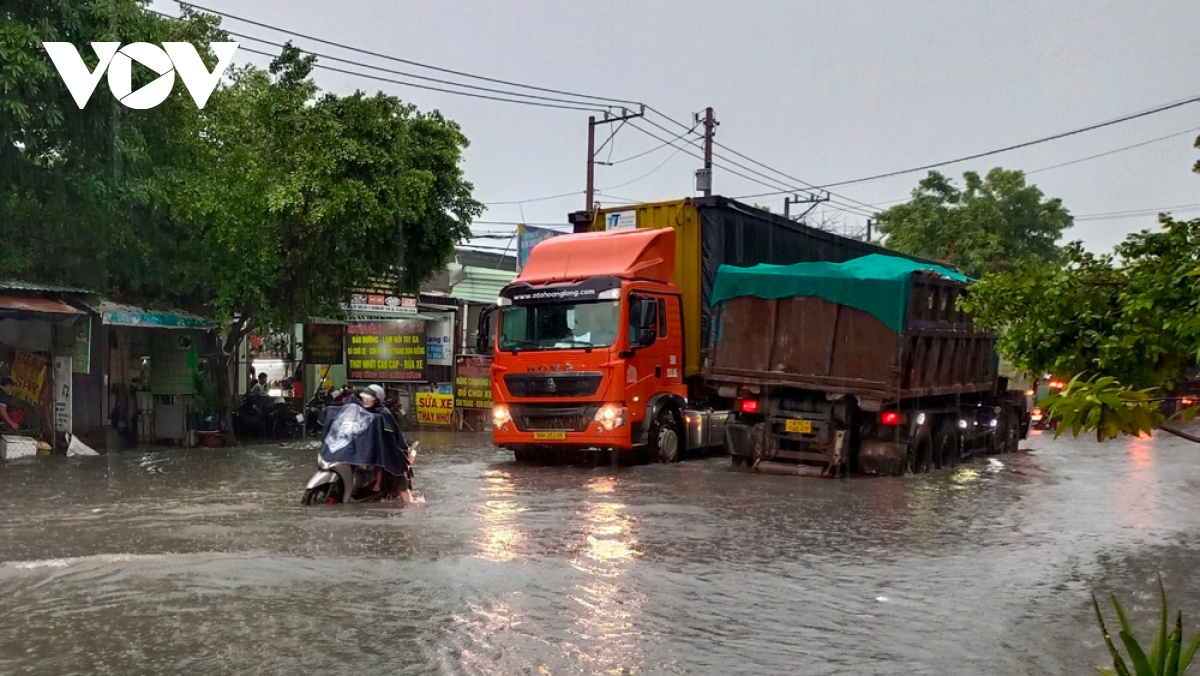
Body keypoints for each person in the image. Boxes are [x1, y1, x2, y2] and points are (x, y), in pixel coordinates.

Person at [360, 384, 415, 504]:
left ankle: (411, 504)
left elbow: (389, 440)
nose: (365, 400)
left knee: (399, 478)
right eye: (364, 397)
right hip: (372, 450)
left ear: (377, 399)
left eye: (369, 397)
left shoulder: (383, 414)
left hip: (391, 451)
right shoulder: (365, 412)